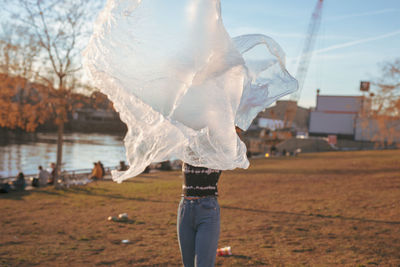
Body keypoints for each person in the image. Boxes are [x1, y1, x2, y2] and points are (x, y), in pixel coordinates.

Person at [177, 162, 222, 267]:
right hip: (185, 208)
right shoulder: (186, 148)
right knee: (188, 264)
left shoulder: (217, 150)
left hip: (208, 210)